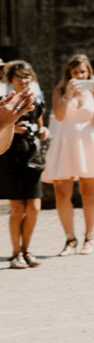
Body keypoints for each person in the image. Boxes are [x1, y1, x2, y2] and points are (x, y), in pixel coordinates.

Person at [41, 55, 94, 255]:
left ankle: (89, 237)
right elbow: (59, 116)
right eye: (75, 72)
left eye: (83, 72)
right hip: (65, 140)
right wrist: (68, 95)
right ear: (69, 73)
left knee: (88, 192)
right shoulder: (60, 91)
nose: (80, 76)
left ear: (88, 73)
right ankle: (70, 238)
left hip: (89, 141)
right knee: (61, 192)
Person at [0, 62, 48, 268]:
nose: (23, 80)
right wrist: (12, 127)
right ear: (11, 79)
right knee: (18, 208)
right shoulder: (4, 101)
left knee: (34, 207)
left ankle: (27, 250)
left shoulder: (36, 101)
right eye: (19, 76)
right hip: (9, 156)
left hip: (31, 155)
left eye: (27, 76)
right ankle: (15, 253)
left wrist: (42, 131)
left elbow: (41, 126)